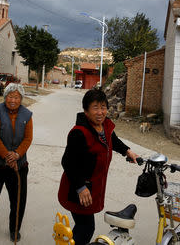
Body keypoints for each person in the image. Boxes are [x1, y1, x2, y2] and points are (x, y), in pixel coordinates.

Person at [58, 88, 139, 245]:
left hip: (93, 187)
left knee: (83, 226)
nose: (101, 112)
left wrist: (127, 151)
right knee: (86, 227)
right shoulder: (79, 133)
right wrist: (80, 187)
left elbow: (113, 140)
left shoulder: (104, 127)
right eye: (95, 107)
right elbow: (67, 162)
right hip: (77, 190)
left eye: (103, 107)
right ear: (86, 111)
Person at [0, 83, 33, 242]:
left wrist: (16, 155)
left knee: (18, 200)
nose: (13, 100)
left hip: (18, 163)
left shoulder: (27, 114)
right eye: (10, 96)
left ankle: (14, 230)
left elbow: (28, 138)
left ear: (21, 99)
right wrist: (7, 156)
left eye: (17, 97)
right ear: (5, 97)